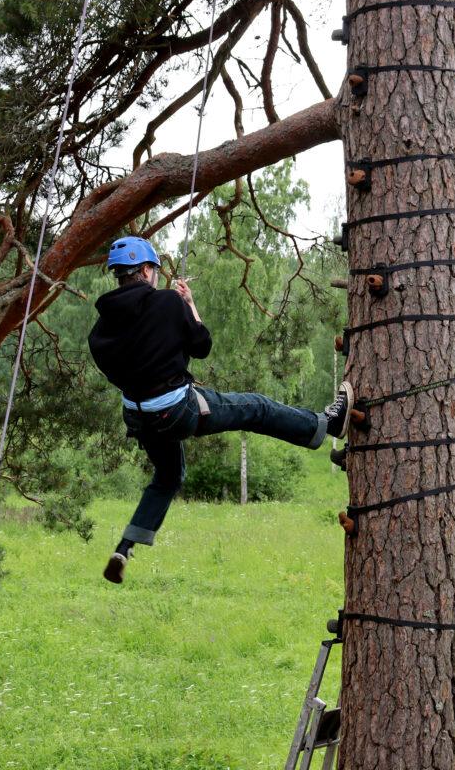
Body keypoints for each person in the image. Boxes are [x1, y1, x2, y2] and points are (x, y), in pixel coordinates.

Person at [87, 236, 352, 584]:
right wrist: (189, 305)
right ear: (148, 270)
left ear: (119, 275)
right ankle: (327, 425)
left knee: (167, 477)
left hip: (139, 417)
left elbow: (118, 370)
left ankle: (124, 547)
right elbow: (202, 345)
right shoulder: (168, 302)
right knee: (256, 407)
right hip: (176, 410)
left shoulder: (100, 330)